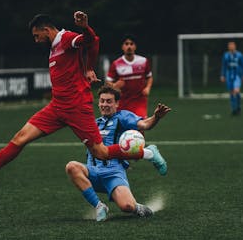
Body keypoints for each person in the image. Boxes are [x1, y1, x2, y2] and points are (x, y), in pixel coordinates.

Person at [0, 11, 167, 190]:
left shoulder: (65, 38)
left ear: (45, 29)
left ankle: (148, 153)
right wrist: (86, 67)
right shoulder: (53, 47)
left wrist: (85, 29)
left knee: (101, 152)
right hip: (57, 107)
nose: (36, 39)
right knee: (20, 138)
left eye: (36, 35)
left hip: (77, 106)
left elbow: (91, 41)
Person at [66, 85, 170, 222]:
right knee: (72, 167)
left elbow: (144, 125)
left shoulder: (122, 117)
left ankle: (137, 207)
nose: (105, 104)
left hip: (113, 173)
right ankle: (99, 206)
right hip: (93, 171)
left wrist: (156, 117)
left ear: (116, 103)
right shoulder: (93, 124)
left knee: (126, 206)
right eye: (102, 101)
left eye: (109, 101)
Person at [106, 34, 153, 119]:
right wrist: (115, 86)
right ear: (122, 47)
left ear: (135, 46)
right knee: (124, 128)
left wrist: (148, 88)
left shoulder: (143, 61)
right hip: (123, 102)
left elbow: (149, 77)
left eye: (131, 44)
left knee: (141, 125)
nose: (129, 46)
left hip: (139, 101)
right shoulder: (116, 64)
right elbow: (108, 82)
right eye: (126, 44)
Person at [220, 41, 243, 116]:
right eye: (230, 46)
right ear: (228, 47)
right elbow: (224, 65)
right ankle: (234, 109)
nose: (231, 47)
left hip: (237, 76)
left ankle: (238, 107)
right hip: (229, 75)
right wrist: (222, 75)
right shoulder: (226, 55)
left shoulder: (239, 55)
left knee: (236, 91)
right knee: (232, 93)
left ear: (235, 46)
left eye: (232, 45)